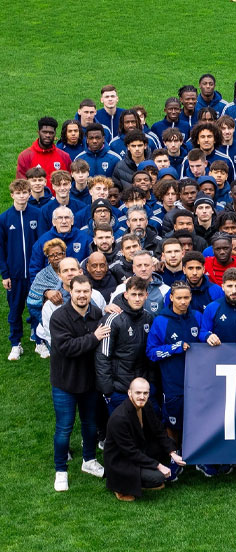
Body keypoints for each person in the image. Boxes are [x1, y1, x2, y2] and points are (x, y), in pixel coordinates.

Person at [48, 275, 108, 491]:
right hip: (64, 382)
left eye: (86, 291)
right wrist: (94, 337)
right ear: (70, 292)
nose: (82, 295)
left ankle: (89, 461)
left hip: (90, 382)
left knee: (91, 425)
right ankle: (61, 470)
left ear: (91, 292)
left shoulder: (96, 314)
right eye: (78, 291)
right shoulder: (59, 317)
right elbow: (67, 348)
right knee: (64, 428)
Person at [146, 281, 202, 445]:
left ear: (191, 297)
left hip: (198, 382)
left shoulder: (197, 316)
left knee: (197, 421)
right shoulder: (161, 321)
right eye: (179, 298)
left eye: (186, 297)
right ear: (171, 297)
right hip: (173, 383)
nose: (183, 301)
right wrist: (174, 347)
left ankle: (196, 455)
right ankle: (174, 456)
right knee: (173, 423)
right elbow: (151, 352)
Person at [96, 275, 156, 412]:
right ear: (126, 294)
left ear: (146, 295)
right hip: (119, 389)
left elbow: (151, 352)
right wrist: (108, 390)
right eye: (133, 294)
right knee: (121, 430)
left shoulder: (148, 317)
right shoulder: (113, 319)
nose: (137, 298)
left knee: (146, 427)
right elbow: (102, 356)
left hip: (142, 387)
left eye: (140, 295)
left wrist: (151, 381)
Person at [2, 179, 43, 360]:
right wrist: (5, 274)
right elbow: (1, 249)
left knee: (36, 306)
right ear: (12, 195)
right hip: (15, 274)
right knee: (15, 309)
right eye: (18, 193)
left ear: (29, 193)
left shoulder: (37, 214)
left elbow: (42, 243)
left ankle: (39, 341)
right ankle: (15, 343)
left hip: (34, 274)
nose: (21, 196)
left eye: (24, 192)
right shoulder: (4, 218)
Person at [18, 117, 72, 188]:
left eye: (51, 133)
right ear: (38, 132)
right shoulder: (25, 156)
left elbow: (70, 181)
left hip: (58, 199)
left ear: (55, 134)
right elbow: (21, 184)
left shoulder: (64, 156)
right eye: (44, 132)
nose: (48, 135)